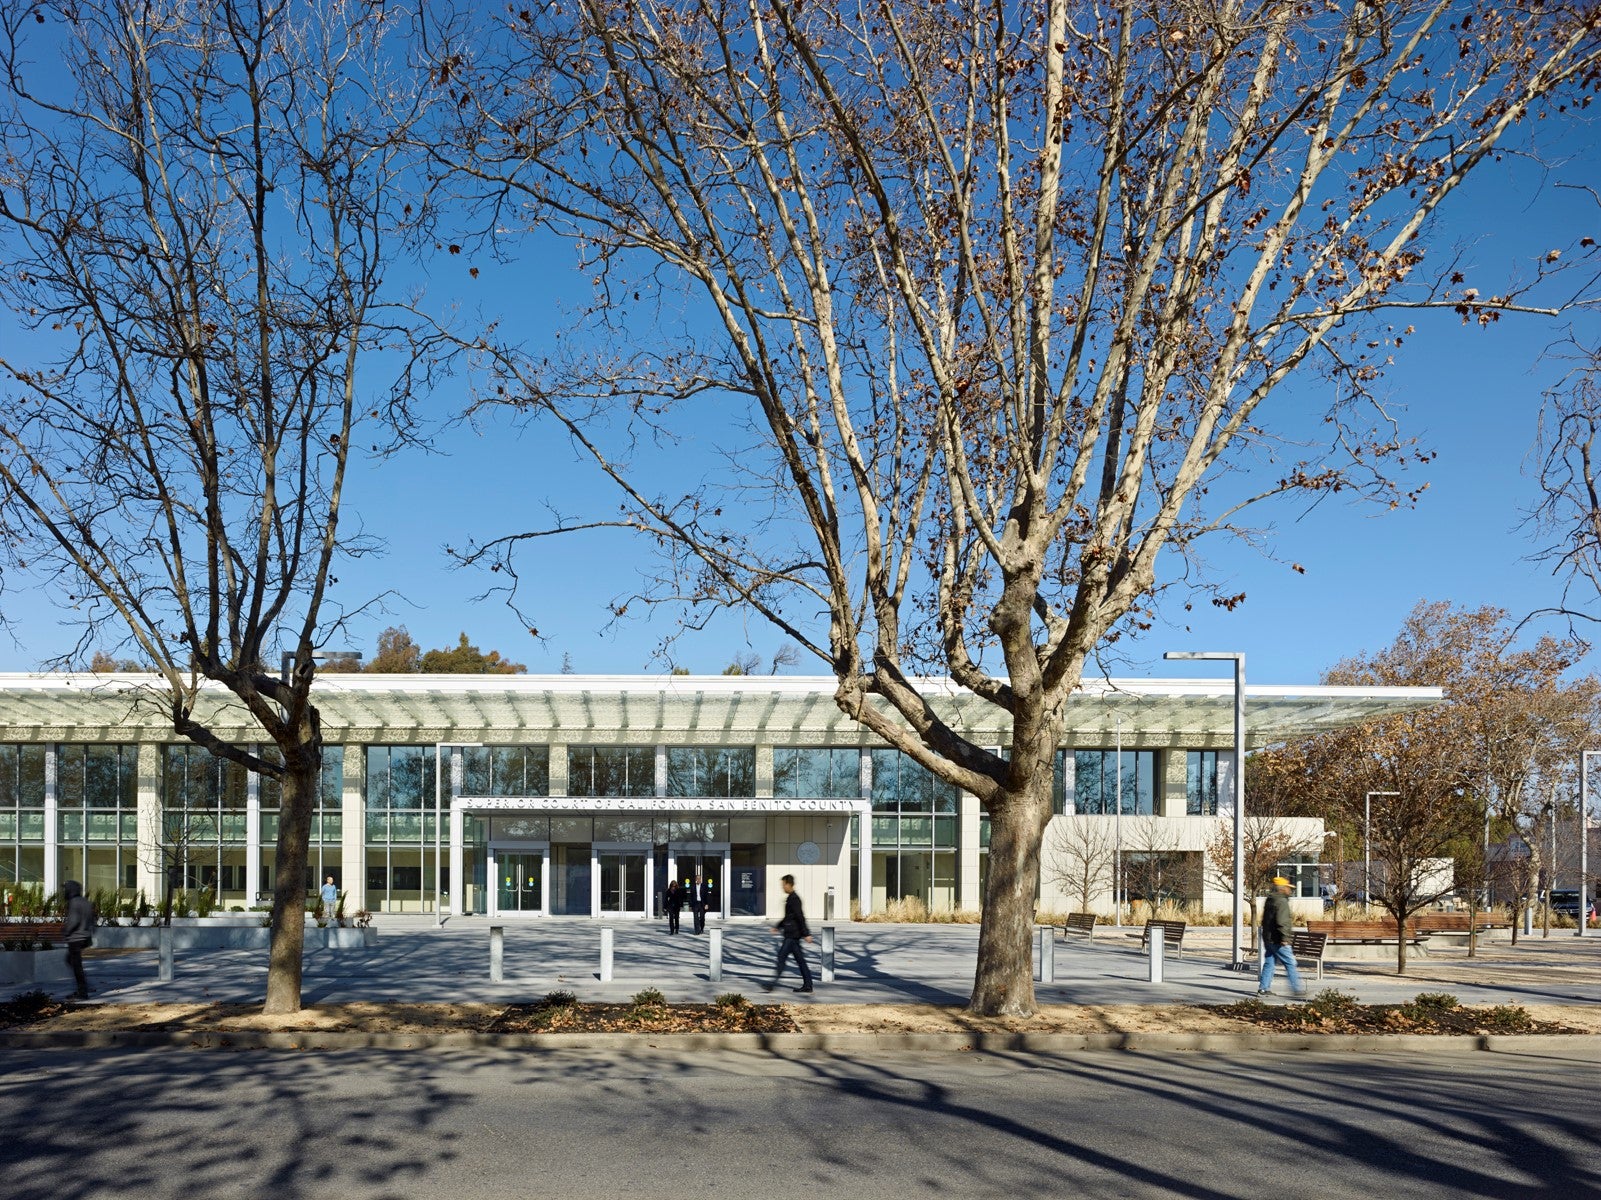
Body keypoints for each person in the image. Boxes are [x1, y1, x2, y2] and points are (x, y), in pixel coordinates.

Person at [763, 874, 814, 994]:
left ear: (788, 884)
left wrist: (806, 933)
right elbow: (788, 917)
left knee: (782, 957)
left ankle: (772, 984)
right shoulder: (791, 898)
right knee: (800, 961)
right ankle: (808, 985)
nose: (782, 887)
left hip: (792, 935)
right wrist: (778, 927)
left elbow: (800, 916)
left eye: (783, 885)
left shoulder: (794, 899)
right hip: (792, 935)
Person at [1257, 875, 1304, 997]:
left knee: (1269, 963)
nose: (1290, 890)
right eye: (1288, 888)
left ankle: (1263, 988)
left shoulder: (1270, 900)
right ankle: (1297, 989)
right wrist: (1285, 938)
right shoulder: (1281, 901)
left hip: (1269, 938)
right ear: (1282, 888)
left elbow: (1266, 920)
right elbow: (1282, 921)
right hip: (1278, 939)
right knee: (1290, 963)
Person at [62, 879, 97, 1001]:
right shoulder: (85, 901)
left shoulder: (74, 902)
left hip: (76, 938)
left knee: (75, 964)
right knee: (71, 961)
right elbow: (92, 919)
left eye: (65, 889)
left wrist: (66, 930)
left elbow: (74, 920)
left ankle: (82, 991)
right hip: (85, 937)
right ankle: (84, 986)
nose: (64, 892)